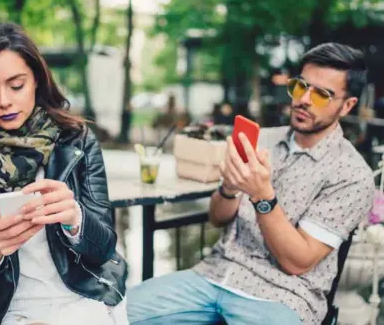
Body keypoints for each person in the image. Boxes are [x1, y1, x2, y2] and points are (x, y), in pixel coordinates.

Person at [127, 43, 375, 324]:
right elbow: (217, 218)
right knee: (114, 314)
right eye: (300, 86)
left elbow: (298, 262)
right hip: (215, 275)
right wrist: (229, 188)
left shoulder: (352, 175)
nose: (304, 99)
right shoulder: (263, 138)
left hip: (283, 296)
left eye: (321, 95)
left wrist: (262, 196)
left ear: (347, 105)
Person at [0, 22, 128, 325]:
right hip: (11, 311)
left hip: (85, 298)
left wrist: (75, 219)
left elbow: (104, 248)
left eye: (16, 85)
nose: (4, 101)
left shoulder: (76, 141)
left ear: (37, 81)